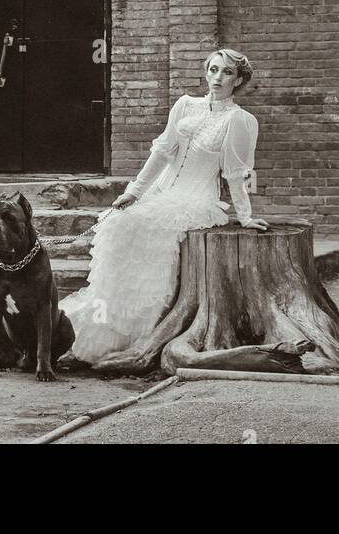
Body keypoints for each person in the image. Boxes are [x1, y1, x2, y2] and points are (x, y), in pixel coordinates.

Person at [60, 47, 268, 370]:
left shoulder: (239, 121)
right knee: (120, 225)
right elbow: (162, 152)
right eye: (213, 70)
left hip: (195, 200)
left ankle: (141, 338)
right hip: (161, 192)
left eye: (227, 72)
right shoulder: (185, 105)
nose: (217, 78)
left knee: (156, 234)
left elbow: (234, 174)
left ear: (238, 79)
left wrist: (245, 216)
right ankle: (103, 327)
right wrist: (134, 191)